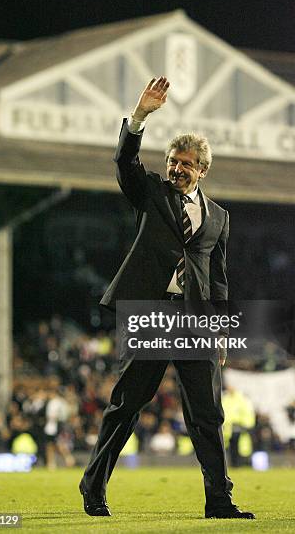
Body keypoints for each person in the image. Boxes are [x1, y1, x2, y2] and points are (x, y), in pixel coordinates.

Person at [79, 76, 255, 519]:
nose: (176, 169)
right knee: (126, 406)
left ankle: (220, 500)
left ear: (203, 170)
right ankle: (93, 487)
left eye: (186, 164)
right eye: (173, 161)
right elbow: (125, 162)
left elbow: (218, 281)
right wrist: (139, 117)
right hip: (154, 316)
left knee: (207, 415)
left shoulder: (219, 218)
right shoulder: (151, 192)